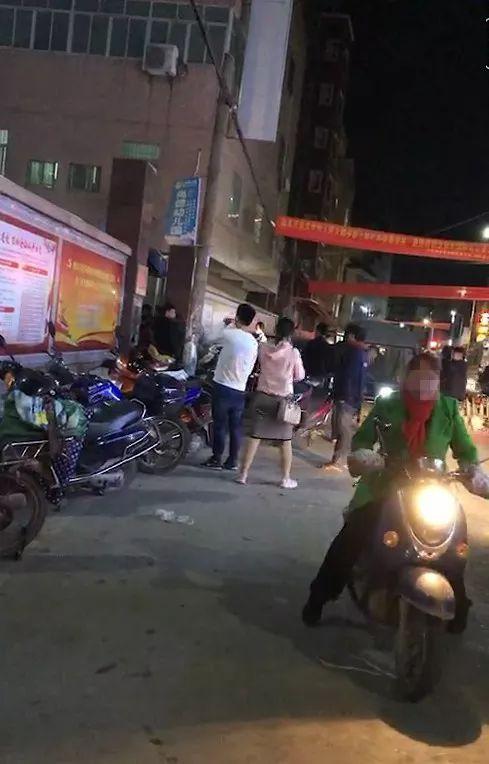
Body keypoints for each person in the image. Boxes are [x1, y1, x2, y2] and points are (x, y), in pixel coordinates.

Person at [302, 352, 488, 633]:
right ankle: (319, 595)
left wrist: (473, 471)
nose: (424, 382)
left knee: (454, 546)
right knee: (352, 536)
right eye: (418, 376)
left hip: (431, 489)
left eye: (430, 377)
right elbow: (363, 439)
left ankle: (458, 605)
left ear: (438, 380)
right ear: (407, 377)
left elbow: (465, 449)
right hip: (386, 487)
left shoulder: (449, 408)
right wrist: (366, 456)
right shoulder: (388, 404)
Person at [237, 317, 305, 488]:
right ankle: (285, 478)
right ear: (292, 333)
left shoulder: (263, 348)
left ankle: (243, 475)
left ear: (276, 330)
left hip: (261, 398)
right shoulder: (293, 353)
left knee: (255, 437)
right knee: (285, 441)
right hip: (282, 403)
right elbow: (299, 376)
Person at [203, 303, 258, 471]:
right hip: (240, 389)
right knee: (236, 427)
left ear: (237, 317)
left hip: (222, 387)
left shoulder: (229, 334)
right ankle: (232, 461)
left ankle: (216, 459)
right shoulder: (253, 342)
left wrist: (225, 324)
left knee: (220, 425)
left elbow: (208, 339)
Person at [323, 323, 368, 473]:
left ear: (352, 336)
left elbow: (349, 377)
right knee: (342, 428)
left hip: (347, 397)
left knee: (343, 429)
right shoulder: (361, 353)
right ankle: (338, 458)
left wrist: (342, 396)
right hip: (352, 397)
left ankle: (337, 460)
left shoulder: (354, 353)